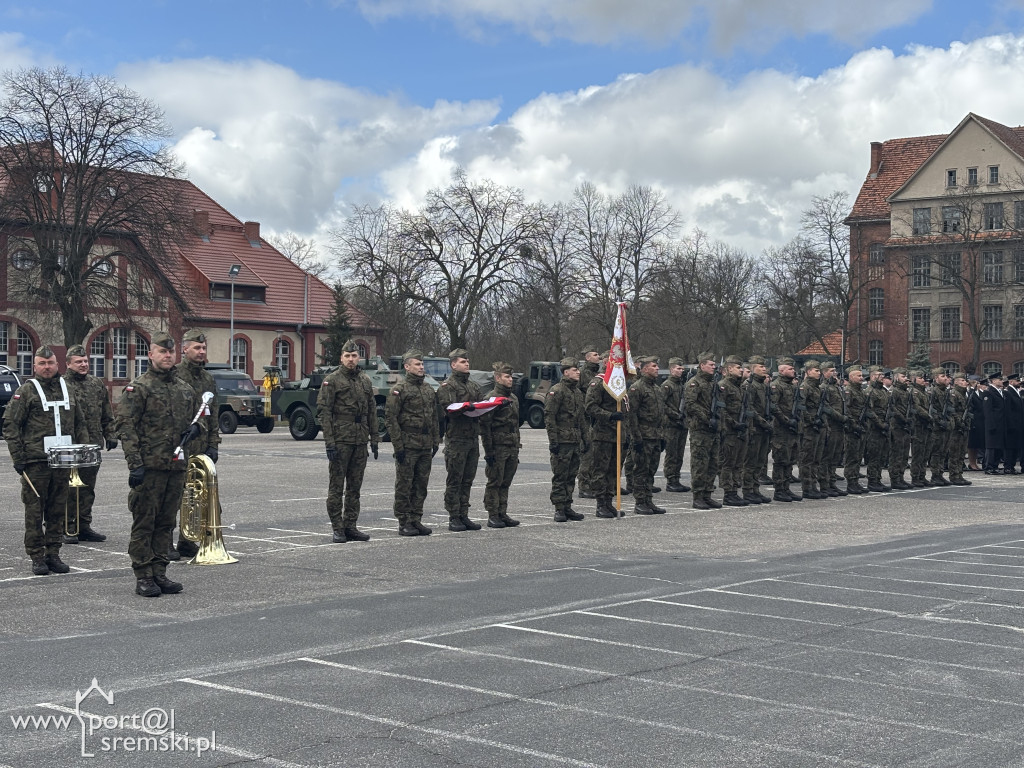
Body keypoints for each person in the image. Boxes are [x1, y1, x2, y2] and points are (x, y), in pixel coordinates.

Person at [117, 332, 202, 597]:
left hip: (175, 467)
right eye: (161, 352)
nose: (167, 356)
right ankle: (143, 575)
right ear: (150, 354)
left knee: (166, 523)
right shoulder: (138, 388)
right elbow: (126, 427)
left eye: (170, 352)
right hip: (149, 467)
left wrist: (196, 430)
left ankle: (160, 572)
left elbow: (197, 419)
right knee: (145, 523)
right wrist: (135, 464)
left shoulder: (184, 389)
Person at [3, 346, 88, 576]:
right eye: (42, 363)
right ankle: (37, 556)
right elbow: (11, 425)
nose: (47, 367)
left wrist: (82, 451)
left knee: (57, 509)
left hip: (62, 461)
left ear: (57, 365)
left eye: (50, 363)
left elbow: (79, 422)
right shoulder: (26, 391)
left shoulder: (67, 388)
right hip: (35, 462)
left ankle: (53, 553)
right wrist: (18, 457)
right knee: (34, 511)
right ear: (35, 366)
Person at [317, 340, 380, 543]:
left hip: (360, 440)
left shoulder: (365, 380)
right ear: (341, 358)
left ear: (358, 358)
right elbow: (324, 413)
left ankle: (350, 525)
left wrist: (375, 438)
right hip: (341, 439)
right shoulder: (332, 380)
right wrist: (329, 442)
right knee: (336, 486)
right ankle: (337, 527)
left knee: (355, 487)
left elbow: (371, 412)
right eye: (347, 356)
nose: (351, 360)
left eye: (354, 356)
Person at [61, 343, 118, 543]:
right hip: (69, 445)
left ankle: (84, 525)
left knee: (87, 486)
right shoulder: (61, 385)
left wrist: (110, 434)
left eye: (85, 361)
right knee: (67, 487)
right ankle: (67, 526)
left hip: (92, 444)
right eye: (79, 362)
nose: (83, 365)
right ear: (68, 364)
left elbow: (106, 412)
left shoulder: (96, 384)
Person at [172, 329, 220, 560]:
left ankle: (187, 540)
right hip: (180, 444)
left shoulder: (207, 378)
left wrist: (214, 444)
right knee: (175, 495)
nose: (201, 352)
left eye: (203, 348)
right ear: (185, 349)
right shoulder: (175, 374)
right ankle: (164, 542)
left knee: (197, 494)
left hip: (201, 446)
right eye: (196, 348)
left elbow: (213, 415)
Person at [386, 350, 439, 536]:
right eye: (417, 364)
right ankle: (404, 522)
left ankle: (416, 519)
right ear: (407, 367)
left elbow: (434, 417)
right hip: (408, 444)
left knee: (421, 484)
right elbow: (391, 419)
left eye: (422, 364)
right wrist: (398, 446)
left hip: (425, 444)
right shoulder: (399, 390)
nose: (421, 367)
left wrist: (435, 440)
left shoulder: (427, 389)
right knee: (404, 485)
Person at [436, 349, 484, 531]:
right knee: (455, 479)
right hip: (456, 439)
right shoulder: (448, 386)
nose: (467, 363)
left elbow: (481, 404)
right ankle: (453, 515)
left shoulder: (473, 386)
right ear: (453, 364)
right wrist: (465, 407)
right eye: (463, 361)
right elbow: (447, 409)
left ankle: (464, 514)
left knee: (468, 479)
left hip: (472, 438)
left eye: (467, 361)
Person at [585, 362, 631, 518]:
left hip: (618, 434)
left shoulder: (618, 382)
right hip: (603, 434)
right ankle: (600, 504)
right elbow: (590, 407)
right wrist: (609, 415)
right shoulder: (598, 382)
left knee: (614, 470)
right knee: (601, 470)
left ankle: (609, 502)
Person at [544, 357, 588, 522]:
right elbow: (549, 417)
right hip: (562, 442)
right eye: (574, 369)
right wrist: (553, 441)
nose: (578, 372)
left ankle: (568, 505)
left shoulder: (577, 393)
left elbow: (582, 419)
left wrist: (586, 438)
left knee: (571, 475)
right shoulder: (557, 390)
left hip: (575, 441)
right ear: (565, 372)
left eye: (578, 369)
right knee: (560, 476)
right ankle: (559, 508)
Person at [479, 361, 521, 528]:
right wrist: (489, 452)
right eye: (507, 376)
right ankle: (493, 514)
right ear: (497, 378)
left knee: (506, 481)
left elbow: (516, 424)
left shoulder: (513, 398)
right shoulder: (491, 398)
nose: (510, 379)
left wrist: (517, 445)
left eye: (511, 376)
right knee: (495, 481)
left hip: (511, 446)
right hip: (498, 447)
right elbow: (485, 426)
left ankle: (502, 512)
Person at [627, 355, 666, 515]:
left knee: (651, 470)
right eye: (653, 366)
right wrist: (636, 438)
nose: (657, 368)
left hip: (656, 436)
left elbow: (661, 414)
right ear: (644, 369)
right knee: (641, 470)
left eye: (657, 366)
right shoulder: (637, 388)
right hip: (643, 436)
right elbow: (632, 414)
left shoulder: (656, 388)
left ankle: (648, 500)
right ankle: (640, 502)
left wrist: (662, 436)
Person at [684, 352, 723, 510]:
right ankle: (698, 496)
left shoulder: (713, 383)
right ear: (702, 366)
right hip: (700, 429)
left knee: (712, 463)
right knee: (700, 463)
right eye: (711, 364)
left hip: (713, 429)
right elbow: (691, 405)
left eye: (714, 365)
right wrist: (707, 419)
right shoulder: (694, 383)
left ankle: (707, 494)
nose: (714, 367)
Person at [741, 356, 773, 504]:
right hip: (754, 428)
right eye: (760, 366)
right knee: (751, 462)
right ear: (753, 369)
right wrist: (763, 422)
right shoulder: (749, 385)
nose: (764, 368)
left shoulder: (764, 386)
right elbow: (749, 408)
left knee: (760, 462)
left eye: (764, 366)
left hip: (764, 429)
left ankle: (755, 489)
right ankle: (748, 490)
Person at [719, 355, 750, 506]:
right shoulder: (723, 386)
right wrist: (733, 423)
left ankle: (735, 490)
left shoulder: (740, 387)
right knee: (728, 463)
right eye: (738, 368)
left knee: (738, 463)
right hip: (730, 431)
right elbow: (721, 410)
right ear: (729, 369)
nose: (741, 370)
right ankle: (728, 493)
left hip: (741, 430)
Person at [770, 357, 801, 502]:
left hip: (792, 428)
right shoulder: (777, 386)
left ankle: (786, 487)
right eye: (790, 368)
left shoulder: (793, 387)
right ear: (781, 370)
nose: (793, 370)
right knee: (781, 460)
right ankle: (779, 490)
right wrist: (787, 421)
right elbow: (774, 407)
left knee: (790, 460)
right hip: (781, 428)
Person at [797, 360, 827, 499]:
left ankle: (814, 485)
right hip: (809, 428)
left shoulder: (818, 388)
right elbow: (801, 407)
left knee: (816, 458)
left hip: (818, 426)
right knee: (807, 459)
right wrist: (811, 420)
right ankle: (807, 487)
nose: (818, 373)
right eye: (816, 370)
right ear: (808, 372)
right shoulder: (805, 387)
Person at [660, 357, 690, 493]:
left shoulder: (681, 385)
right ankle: (671, 480)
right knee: (672, 454)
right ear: (672, 369)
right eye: (678, 368)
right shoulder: (667, 385)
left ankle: (676, 478)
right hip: (671, 424)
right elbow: (662, 404)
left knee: (679, 453)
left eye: (682, 369)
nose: (681, 371)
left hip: (681, 424)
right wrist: (674, 414)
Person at [577, 345, 602, 498]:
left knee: (595, 453)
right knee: (587, 452)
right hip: (586, 417)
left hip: (595, 417)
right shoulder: (584, 373)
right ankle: (584, 485)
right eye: (595, 354)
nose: (598, 356)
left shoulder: (596, 373)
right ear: (587, 357)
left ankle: (592, 483)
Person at [863, 365, 892, 492]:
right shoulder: (870, 391)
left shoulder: (883, 391)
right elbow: (870, 411)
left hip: (884, 427)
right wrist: (881, 424)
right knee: (874, 455)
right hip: (874, 428)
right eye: (879, 375)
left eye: (882, 375)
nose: (882, 377)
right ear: (873, 376)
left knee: (881, 455)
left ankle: (877, 479)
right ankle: (872, 480)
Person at [842, 366, 868, 494]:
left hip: (861, 427)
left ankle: (856, 481)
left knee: (858, 456)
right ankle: (851, 483)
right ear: (851, 377)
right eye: (858, 376)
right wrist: (853, 424)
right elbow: (846, 410)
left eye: (861, 375)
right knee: (852, 456)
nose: (861, 378)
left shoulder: (861, 391)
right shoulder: (849, 391)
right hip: (852, 428)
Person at [887, 368, 913, 490]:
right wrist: (903, 418)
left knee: (904, 453)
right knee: (896, 453)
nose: (906, 379)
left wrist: (909, 418)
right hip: (896, 425)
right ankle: (895, 478)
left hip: (905, 426)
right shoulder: (894, 391)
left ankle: (901, 477)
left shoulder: (906, 392)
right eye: (903, 376)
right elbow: (892, 407)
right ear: (896, 378)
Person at [927, 367, 954, 485]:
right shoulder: (932, 391)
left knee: (944, 451)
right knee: (936, 451)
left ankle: (940, 473)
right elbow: (931, 409)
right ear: (936, 378)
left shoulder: (945, 391)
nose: (945, 378)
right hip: (937, 426)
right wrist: (939, 421)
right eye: (942, 376)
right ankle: (935, 475)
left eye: (945, 376)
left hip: (946, 425)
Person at [947, 372, 972, 485]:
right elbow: (952, 411)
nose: (965, 382)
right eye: (962, 380)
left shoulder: (964, 394)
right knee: (955, 452)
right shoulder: (954, 394)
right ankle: (954, 475)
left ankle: (959, 474)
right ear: (956, 382)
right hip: (956, 428)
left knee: (962, 452)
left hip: (964, 427)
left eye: (965, 380)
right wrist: (959, 422)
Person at [908, 370, 933, 487]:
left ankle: (922, 476)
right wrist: (928, 416)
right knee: (917, 453)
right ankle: (915, 477)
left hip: (926, 425)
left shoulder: (924, 392)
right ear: (913, 379)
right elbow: (917, 407)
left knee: (925, 452)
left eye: (923, 378)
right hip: (918, 425)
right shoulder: (914, 392)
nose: (923, 380)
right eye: (920, 378)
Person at [982, 372, 1006, 474]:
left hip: (1000, 423)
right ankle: (989, 466)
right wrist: (991, 424)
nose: (1002, 381)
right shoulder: (989, 392)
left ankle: (995, 465)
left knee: (998, 445)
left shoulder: (999, 392)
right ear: (994, 381)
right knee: (991, 446)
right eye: (999, 380)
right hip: (993, 423)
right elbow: (988, 410)